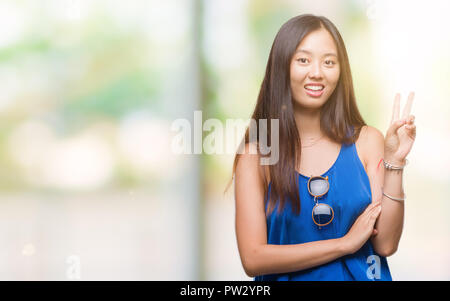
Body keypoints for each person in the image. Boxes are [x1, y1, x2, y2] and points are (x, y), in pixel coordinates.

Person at [229, 14, 416, 280]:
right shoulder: (256, 155)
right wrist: (343, 244)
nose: (317, 72)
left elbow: (385, 244)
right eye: (303, 60)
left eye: (329, 62)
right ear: (282, 67)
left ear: (341, 72)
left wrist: (395, 162)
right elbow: (253, 258)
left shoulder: (367, 141)